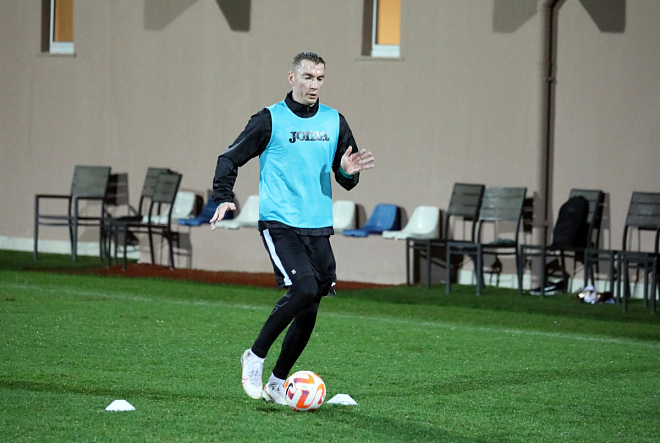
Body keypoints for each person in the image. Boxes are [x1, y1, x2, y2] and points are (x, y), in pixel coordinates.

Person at [209, 51, 374, 405]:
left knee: (310, 305)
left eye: (320, 78)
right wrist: (223, 196)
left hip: (318, 226)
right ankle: (254, 356)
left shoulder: (335, 121)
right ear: (292, 78)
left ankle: (276, 383)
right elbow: (229, 157)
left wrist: (347, 171)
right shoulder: (269, 119)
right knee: (303, 288)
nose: (314, 84)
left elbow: (346, 178)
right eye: (308, 77)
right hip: (280, 221)